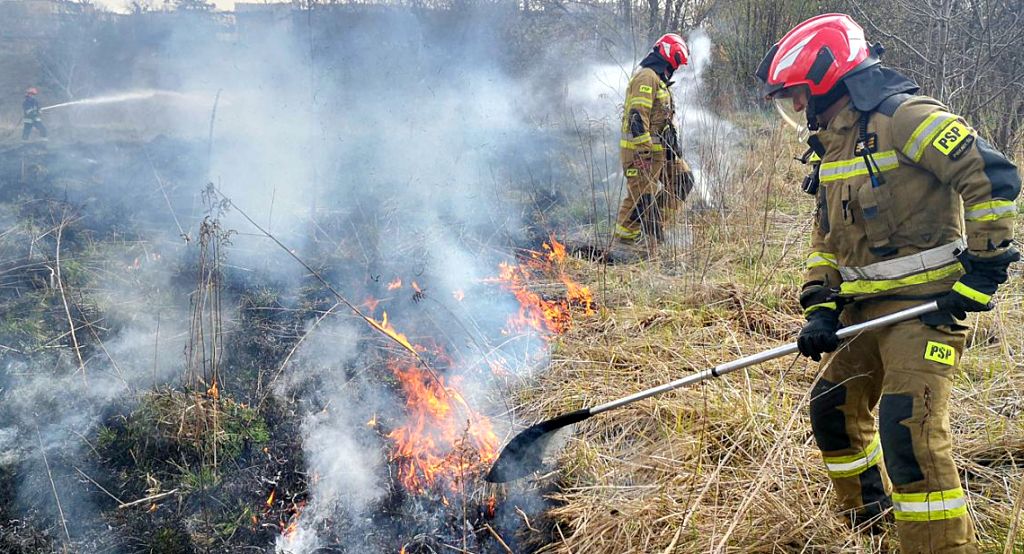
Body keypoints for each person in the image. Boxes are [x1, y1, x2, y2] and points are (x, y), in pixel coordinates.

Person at [756, 13, 1020, 552]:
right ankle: (869, 523)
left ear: (829, 79)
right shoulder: (834, 144)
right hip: (862, 312)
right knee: (832, 411)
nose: (798, 107)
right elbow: (826, 237)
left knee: (908, 431)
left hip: (925, 311)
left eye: (800, 94)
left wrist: (985, 266)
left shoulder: (905, 118)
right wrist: (820, 304)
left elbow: (990, 176)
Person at [610, 33, 695, 262]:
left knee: (683, 180)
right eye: (674, 65)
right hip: (642, 152)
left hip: (661, 152)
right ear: (666, 57)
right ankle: (623, 247)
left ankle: (652, 226)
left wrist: (671, 143)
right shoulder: (646, 77)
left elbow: (660, 117)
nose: (673, 70)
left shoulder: (658, 80)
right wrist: (644, 151)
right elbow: (637, 116)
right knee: (641, 199)